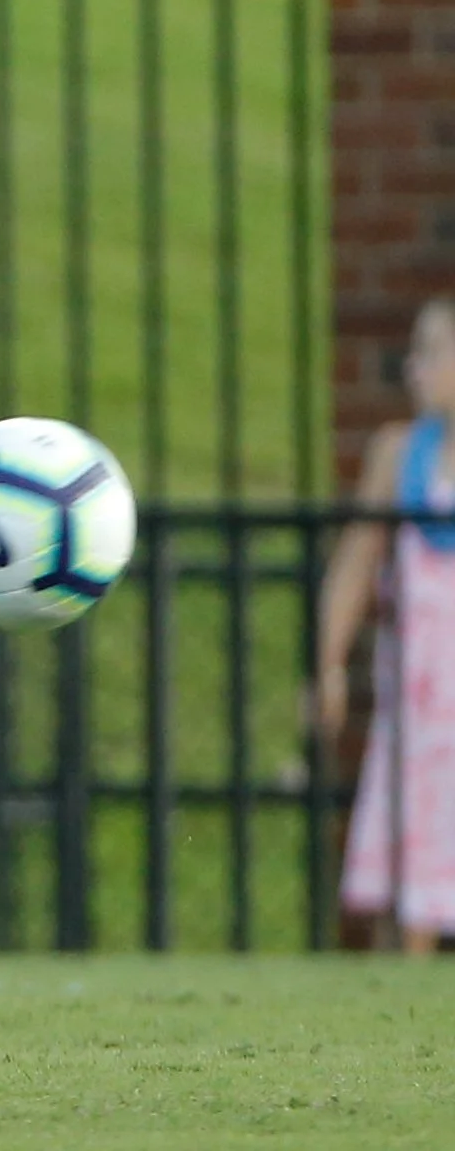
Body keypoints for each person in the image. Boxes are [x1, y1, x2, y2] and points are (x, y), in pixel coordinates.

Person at [318, 296, 455, 956]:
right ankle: (396, 1010)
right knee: (408, 870)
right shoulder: (400, 453)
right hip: (419, 707)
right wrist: (330, 664)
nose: (413, 368)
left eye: (430, 353)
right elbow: (354, 564)